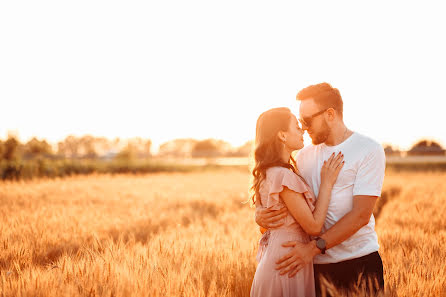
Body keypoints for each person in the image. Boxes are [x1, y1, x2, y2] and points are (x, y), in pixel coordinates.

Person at [255, 83, 386, 296]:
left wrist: (312, 248)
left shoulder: (368, 149)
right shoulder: (303, 156)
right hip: (314, 267)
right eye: (300, 122)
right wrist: (261, 216)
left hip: (359, 262)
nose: (303, 127)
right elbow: (288, 206)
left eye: (307, 120)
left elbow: (361, 215)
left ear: (330, 114)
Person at [249, 107, 344, 297]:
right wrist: (326, 184)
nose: (302, 130)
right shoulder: (283, 176)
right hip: (286, 264)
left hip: (282, 259)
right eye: (296, 126)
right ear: (282, 135)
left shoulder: (272, 173)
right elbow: (314, 227)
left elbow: (274, 224)